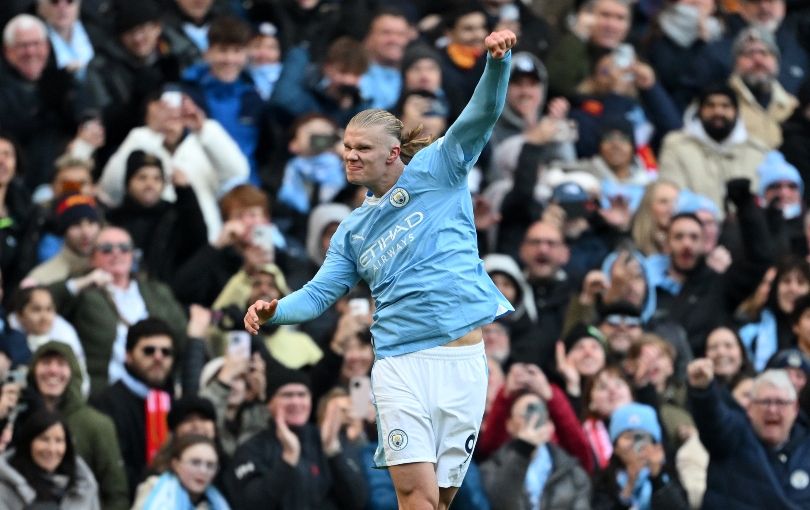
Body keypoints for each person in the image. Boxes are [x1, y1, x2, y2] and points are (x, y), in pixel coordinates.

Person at [245, 30, 518, 510]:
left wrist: (497, 63)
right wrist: (275, 311)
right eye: (347, 146)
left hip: (464, 365)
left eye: (362, 148)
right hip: (400, 365)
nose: (350, 155)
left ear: (393, 153)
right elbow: (318, 294)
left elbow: (482, 115)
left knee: (442, 501)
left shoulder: (440, 168)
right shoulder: (352, 230)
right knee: (415, 498)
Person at [688, 359, 810, 509]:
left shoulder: (806, 448)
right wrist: (704, 391)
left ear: (795, 408)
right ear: (750, 407)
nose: (772, 410)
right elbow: (713, 420)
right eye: (765, 402)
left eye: (780, 402)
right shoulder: (732, 435)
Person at [24, 341, 128, 510]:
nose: (53, 370)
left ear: (74, 371)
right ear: (33, 370)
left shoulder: (96, 424)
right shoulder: (18, 418)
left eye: (61, 364)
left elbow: (115, 493)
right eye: (46, 363)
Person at [0, 409, 100, 509]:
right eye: (44, 439)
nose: (52, 449)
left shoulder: (84, 486)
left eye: (59, 441)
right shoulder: (5, 488)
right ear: (28, 443)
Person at [132, 434, 230, 510]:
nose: (203, 471)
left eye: (210, 465)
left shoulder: (217, 502)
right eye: (195, 462)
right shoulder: (154, 487)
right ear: (176, 465)